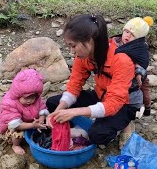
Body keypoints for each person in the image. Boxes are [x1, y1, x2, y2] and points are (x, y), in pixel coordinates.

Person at [45, 14, 143, 147]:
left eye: (73, 46)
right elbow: (74, 85)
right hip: (101, 95)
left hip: (124, 103)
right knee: (52, 103)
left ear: (90, 41)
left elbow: (114, 103)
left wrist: (74, 112)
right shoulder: (83, 56)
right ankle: (76, 127)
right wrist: (59, 111)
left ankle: (126, 123)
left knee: (98, 135)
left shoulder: (121, 60)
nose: (71, 51)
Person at [0, 69, 48, 155]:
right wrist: (33, 125)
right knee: (18, 132)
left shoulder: (37, 99)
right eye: (26, 98)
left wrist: (41, 119)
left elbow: (42, 107)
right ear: (18, 94)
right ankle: (15, 145)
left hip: (30, 122)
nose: (30, 101)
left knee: (47, 122)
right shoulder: (9, 103)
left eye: (33, 98)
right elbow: (15, 124)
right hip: (12, 128)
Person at [112, 16, 153, 116]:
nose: (128, 36)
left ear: (138, 40)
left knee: (145, 93)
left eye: (133, 35)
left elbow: (142, 61)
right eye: (126, 32)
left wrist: (139, 72)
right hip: (121, 74)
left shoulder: (140, 48)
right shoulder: (116, 42)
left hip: (139, 75)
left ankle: (147, 107)